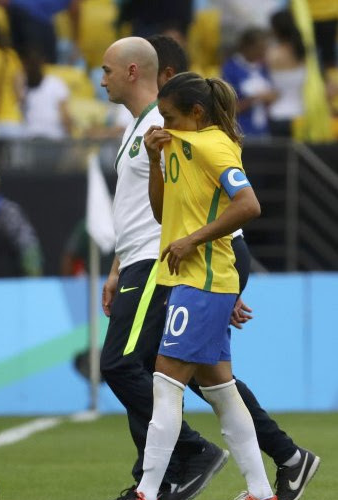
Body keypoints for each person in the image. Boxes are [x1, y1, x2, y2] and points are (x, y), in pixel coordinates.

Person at [99, 36, 320, 500]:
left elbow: (241, 205)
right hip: (180, 266)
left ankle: (160, 479)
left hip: (185, 265)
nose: (101, 79)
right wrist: (120, 259)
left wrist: (221, 276)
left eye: (107, 70)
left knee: (142, 371)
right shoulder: (158, 136)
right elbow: (159, 210)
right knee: (207, 381)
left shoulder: (197, 139)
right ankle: (275, 470)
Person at [137, 71, 274, 500]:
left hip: (203, 278)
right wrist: (154, 160)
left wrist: (194, 240)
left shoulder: (213, 146)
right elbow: (163, 215)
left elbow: (249, 204)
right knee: (220, 390)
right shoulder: (181, 146)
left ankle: (146, 491)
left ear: (196, 112)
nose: (163, 125)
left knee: (165, 382)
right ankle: (260, 491)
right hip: (194, 281)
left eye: (170, 116)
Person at [221, 28, 277, 138]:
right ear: (248, 47)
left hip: (263, 130)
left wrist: (270, 97)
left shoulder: (263, 68)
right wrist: (255, 99)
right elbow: (226, 108)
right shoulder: (230, 69)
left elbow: (273, 93)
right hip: (241, 131)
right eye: (259, 48)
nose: (263, 52)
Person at [266, 9, 306, 138]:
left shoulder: (273, 54)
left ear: (276, 29)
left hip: (279, 115)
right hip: (301, 114)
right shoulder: (304, 53)